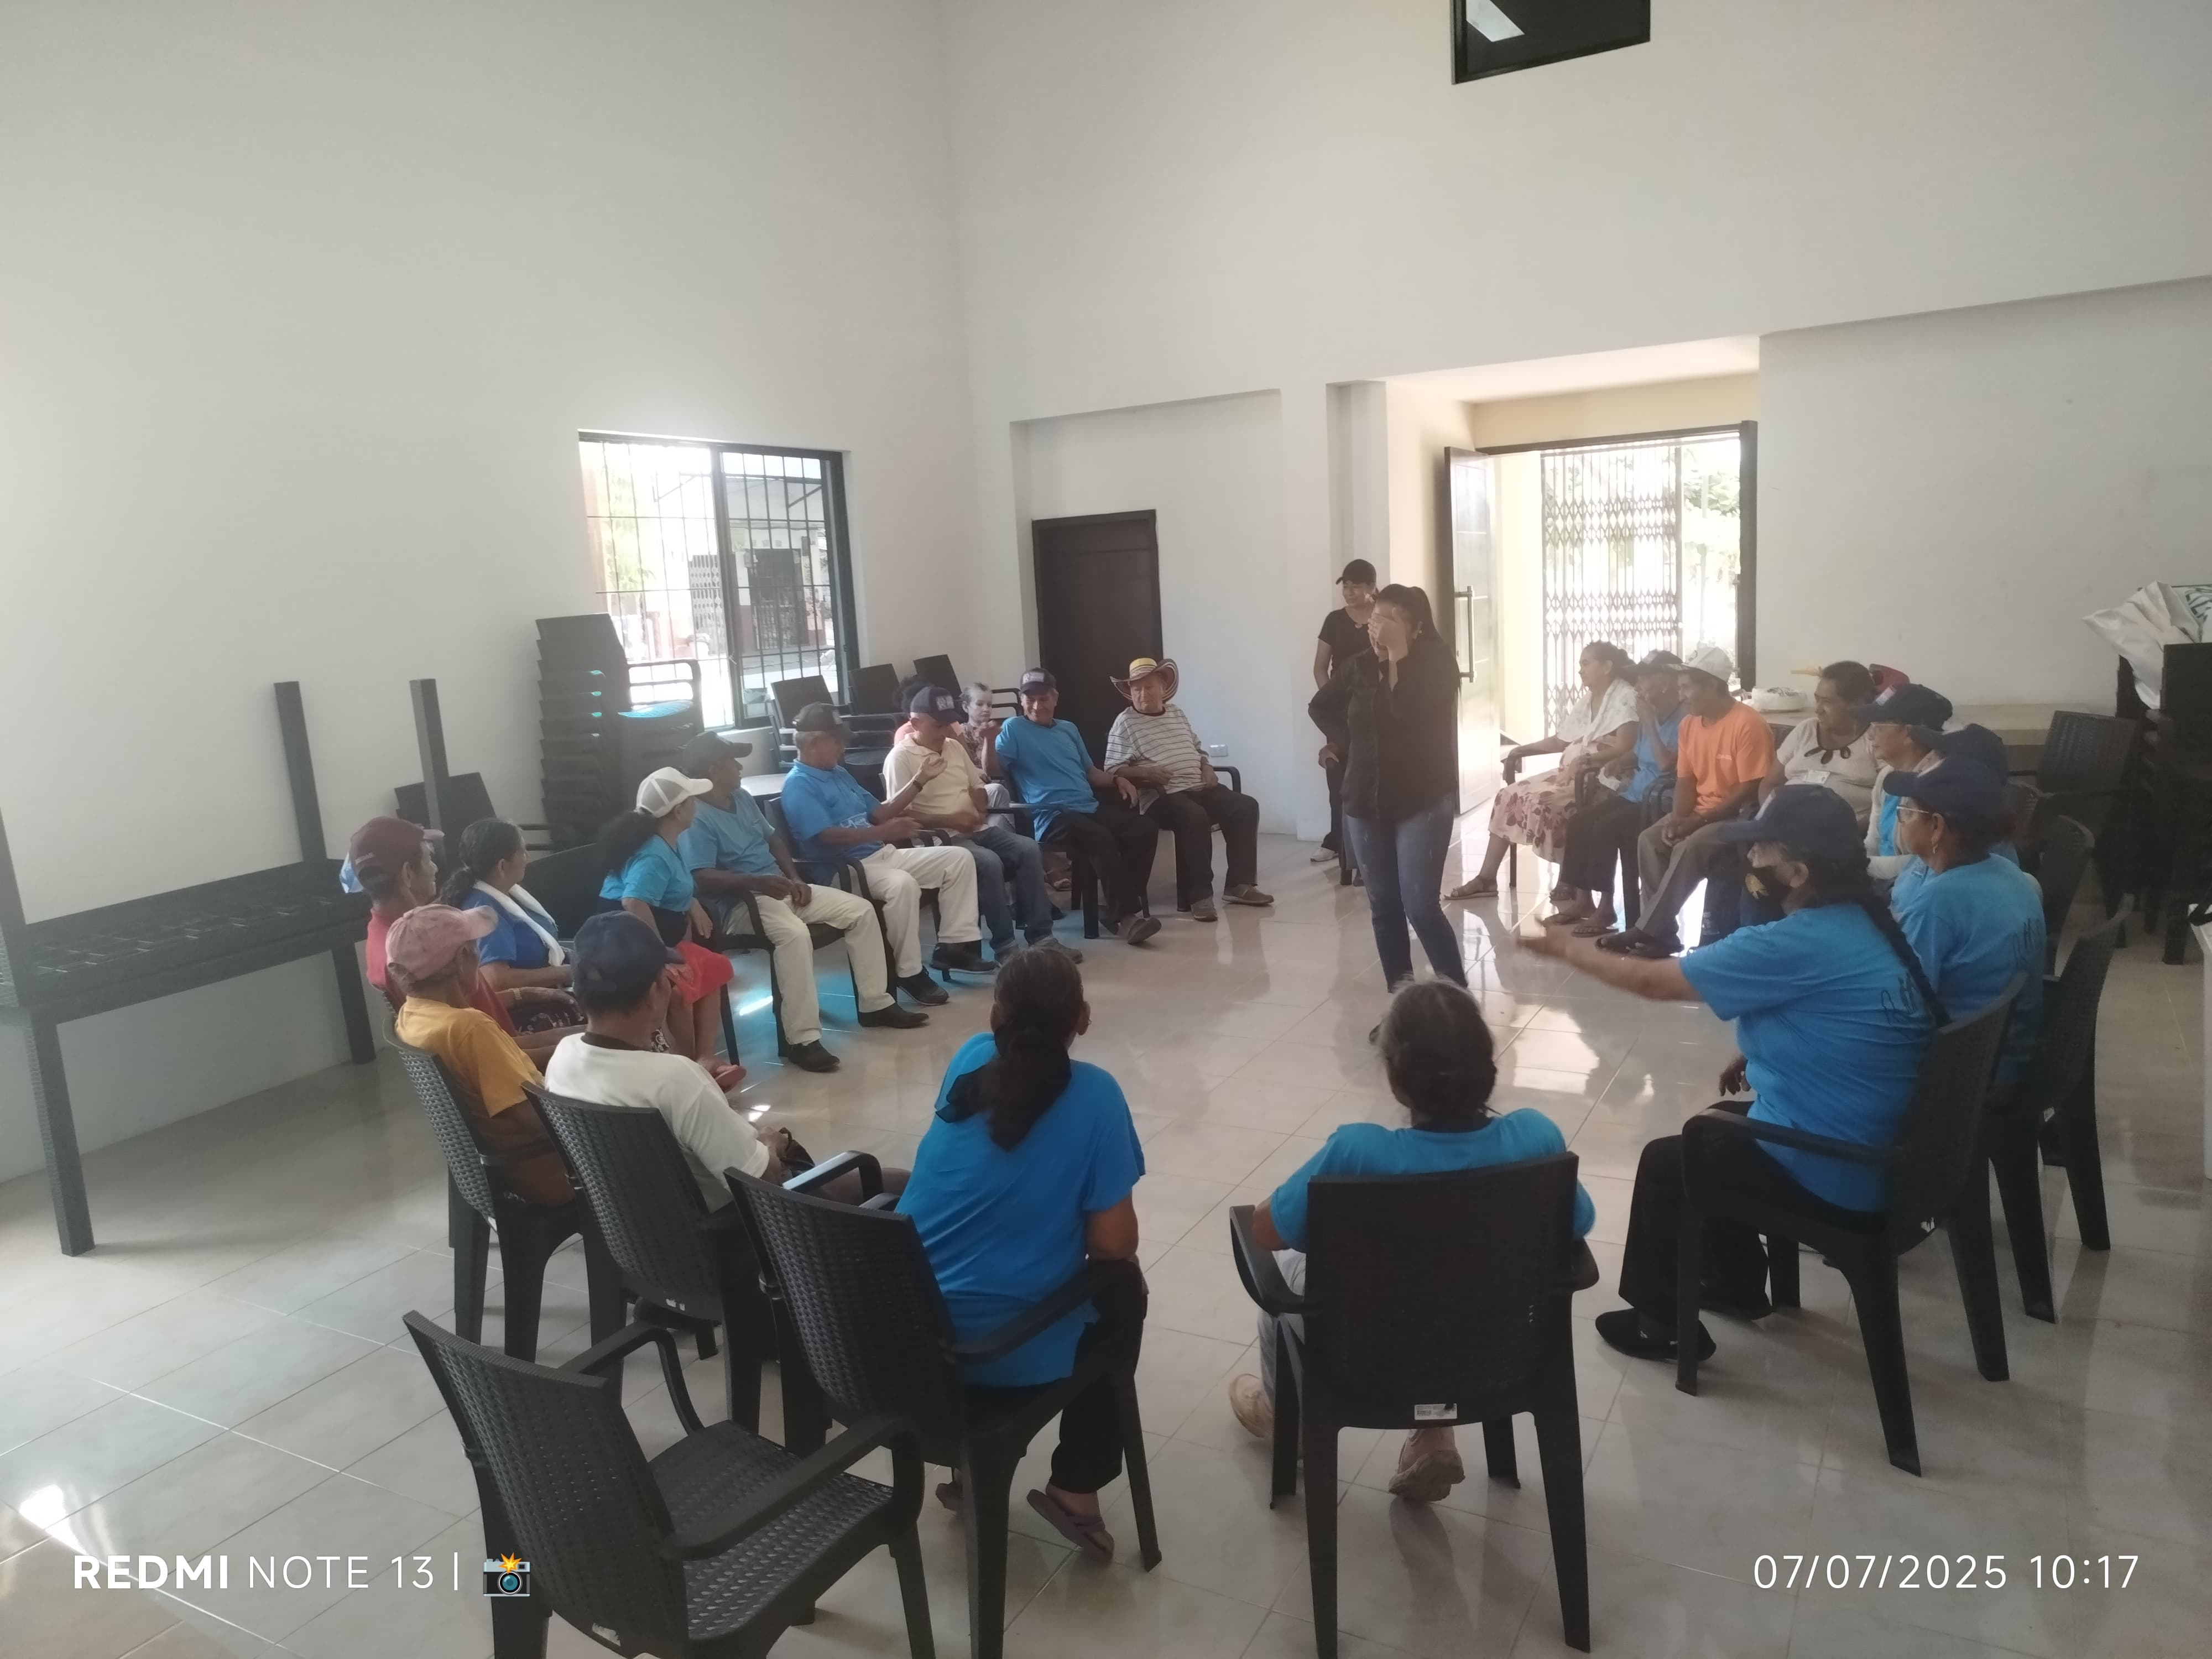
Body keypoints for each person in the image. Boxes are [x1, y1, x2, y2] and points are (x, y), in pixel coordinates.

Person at [1520, 787, 1944, 1363]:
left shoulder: (1795, 942)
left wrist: (1569, 951)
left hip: (1842, 1172)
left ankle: (1659, 1325)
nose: (1750, 862)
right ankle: (1736, 1284)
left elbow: (1652, 981)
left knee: (1670, 1161)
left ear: (1798, 873)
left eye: (1762, 852)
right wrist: (1756, 1054)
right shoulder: (1862, 920)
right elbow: (1837, 1017)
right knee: (1718, 1127)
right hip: (1879, 1152)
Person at [1222, 982, 1595, 1501]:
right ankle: (1433, 1435)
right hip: (1502, 1342)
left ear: (1396, 1078)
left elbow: (1265, 1232)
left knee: (1284, 1276)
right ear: (1488, 1068)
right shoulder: (1536, 1139)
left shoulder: (1358, 1154)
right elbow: (1578, 1225)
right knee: (1452, 1281)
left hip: (1366, 1354)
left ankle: (1290, 1421)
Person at [895, 947, 1146, 1560]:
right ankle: (1075, 1488)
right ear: (1082, 1017)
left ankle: (967, 1473)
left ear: (994, 1017)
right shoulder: (1096, 1095)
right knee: (1122, 1290)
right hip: (992, 1352)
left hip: (905, 1337)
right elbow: (1113, 1243)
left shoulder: (969, 1058)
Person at [542, 911, 870, 1204]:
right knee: (886, 1181)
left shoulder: (563, 1058)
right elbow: (762, 1182)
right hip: (740, 1232)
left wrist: (701, 1088)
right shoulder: (676, 1079)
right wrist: (771, 1142)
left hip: (645, 1231)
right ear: (656, 990)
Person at [674, 731, 926, 1073]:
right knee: (794, 935)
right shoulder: (697, 815)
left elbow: (774, 839)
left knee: (860, 911)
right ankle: (803, 1040)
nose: (740, 767)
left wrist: (794, 878)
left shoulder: (741, 797)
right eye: (733, 762)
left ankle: (876, 1004)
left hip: (780, 886)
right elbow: (702, 876)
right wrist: (758, 883)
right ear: (714, 769)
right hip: (740, 904)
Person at [1311, 583, 1467, 993]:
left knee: (1421, 907)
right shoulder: (1358, 665)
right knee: (1384, 907)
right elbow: (1321, 706)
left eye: (1389, 619)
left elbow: (1405, 710)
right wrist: (1351, 744)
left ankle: (1457, 1003)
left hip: (1422, 797)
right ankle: (1402, 1003)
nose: (1377, 626)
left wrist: (1397, 656)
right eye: (1375, 618)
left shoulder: (1437, 664)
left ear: (1415, 627)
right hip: (1366, 797)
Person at [779, 701, 994, 997]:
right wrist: (883, 833)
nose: (843, 748)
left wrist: (920, 780)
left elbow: (881, 812)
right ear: (815, 742)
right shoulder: (798, 785)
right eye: (837, 741)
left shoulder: (839, 773)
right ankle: (909, 972)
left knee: (958, 858)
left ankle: (953, 948)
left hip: (879, 857)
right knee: (901, 884)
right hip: (845, 871)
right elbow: (826, 836)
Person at [1598, 644, 1777, 958]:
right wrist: (1679, 820)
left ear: (1712, 686)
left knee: (1688, 846)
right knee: (1650, 840)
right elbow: (1686, 779)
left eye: (1687, 688)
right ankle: (1663, 936)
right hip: (1698, 811)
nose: (1682, 697)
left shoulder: (1747, 724)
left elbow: (1749, 789)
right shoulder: (1690, 725)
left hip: (1736, 816)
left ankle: (1646, 929)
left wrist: (1696, 823)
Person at [387, 905, 571, 1207]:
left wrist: (579, 1040)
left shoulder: (413, 1015)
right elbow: (534, 1120)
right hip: (550, 1175)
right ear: (463, 957)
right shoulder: (469, 1028)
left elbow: (506, 1059)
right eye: (476, 947)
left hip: (504, 1172)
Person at [351, 815, 571, 1062]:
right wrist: (581, 1043)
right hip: (513, 1068)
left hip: (504, 1046)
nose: (435, 868)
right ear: (407, 874)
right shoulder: (411, 953)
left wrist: (527, 994)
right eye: (429, 860)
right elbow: (489, 1057)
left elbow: (466, 1007)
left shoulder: (387, 937)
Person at [1886, 759, 2044, 1090]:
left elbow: (1902, 1010)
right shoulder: (2011, 874)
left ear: (1937, 826)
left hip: (1966, 1077)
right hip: (2007, 1060)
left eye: (1908, 811)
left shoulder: (1939, 901)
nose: (1902, 820)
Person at [885, 684, 1067, 961]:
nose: (947, 731)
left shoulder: (953, 748)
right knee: (988, 862)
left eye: (949, 723)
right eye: (939, 725)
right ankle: (1006, 946)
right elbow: (900, 814)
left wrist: (979, 807)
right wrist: (951, 820)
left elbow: (977, 786)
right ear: (916, 723)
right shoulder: (900, 757)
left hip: (974, 829)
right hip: (938, 839)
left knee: (1028, 848)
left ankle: (1042, 936)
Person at [1449, 640, 1640, 900]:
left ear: (1607, 667)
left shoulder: (1625, 696)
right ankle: (1487, 878)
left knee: (1548, 805)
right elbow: (1561, 740)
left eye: (1586, 664)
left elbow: (1626, 746)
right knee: (1508, 796)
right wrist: (1521, 749)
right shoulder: (1588, 700)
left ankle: (1569, 878)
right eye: (1580, 664)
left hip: (1604, 776)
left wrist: (1586, 761)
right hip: (1572, 773)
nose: (1580, 670)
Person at [994, 669, 1163, 946]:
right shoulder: (1013, 728)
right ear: (1022, 701)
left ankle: (1115, 907)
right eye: (1030, 699)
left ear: (1055, 698)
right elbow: (994, 768)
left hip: (1087, 807)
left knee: (1143, 828)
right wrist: (987, 740)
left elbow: (1091, 773)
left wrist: (1118, 779)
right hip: (1050, 815)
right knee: (1098, 836)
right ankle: (1127, 918)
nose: (1037, 706)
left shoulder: (1068, 729)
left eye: (1043, 699)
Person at [1103, 655, 1271, 920]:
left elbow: (1198, 750)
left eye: (1149, 687)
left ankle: (1239, 885)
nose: (1143, 694)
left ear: (1163, 687)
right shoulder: (1125, 722)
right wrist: (1145, 773)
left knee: (1246, 806)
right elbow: (1113, 769)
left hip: (1198, 786)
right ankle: (1199, 895)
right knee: (1194, 816)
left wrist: (1207, 767)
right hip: (1161, 796)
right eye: (1137, 689)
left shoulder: (1176, 713)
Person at [595, 768, 739, 1075]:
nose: (696, 805)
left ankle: (706, 1057)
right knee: (678, 990)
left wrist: (692, 903)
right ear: (678, 811)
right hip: (623, 947)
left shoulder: (667, 841)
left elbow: (670, 886)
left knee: (712, 967)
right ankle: (687, 1073)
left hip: (657, 940)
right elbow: (633, 902)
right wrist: (659, 956)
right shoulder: (653, 854)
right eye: (691, 800)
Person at [1550, 650, 1682, 935]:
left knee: (1605, 828)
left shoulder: (1684, 719)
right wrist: (1619, 761)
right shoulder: (1653, 712)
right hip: (1637, 793)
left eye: (1645, 678)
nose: (1639, 685)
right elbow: (1640, 753)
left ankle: (1606, 908)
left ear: (1666, 682)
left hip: (1662, 800)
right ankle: (1583, 901)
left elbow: (1666, 764)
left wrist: (1648, 722)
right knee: (1580, 821)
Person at [441, 819, 577, 1027]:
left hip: (551, 992)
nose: (527, 857)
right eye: (522, 851)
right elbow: (496, 979)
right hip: (527, 1011)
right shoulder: (485, 910)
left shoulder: (507, 893)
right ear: (503, 866)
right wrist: (568, 971)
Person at [1312, 559, 1379, 863]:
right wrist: (1332, 699)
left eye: (1356, 587)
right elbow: (1320, 667)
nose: (1349, 593)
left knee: (1371, 773)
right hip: (1341, 711)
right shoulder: (1334, 620)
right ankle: (1336, 839)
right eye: (1346, 587)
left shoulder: (1382, 616)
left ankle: (1368, 841)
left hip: (1375, 707)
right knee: (1337, 774)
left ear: (1371, 587)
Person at [1854, 681, 1953, 881]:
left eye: (1878, 726)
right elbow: (1873, 843)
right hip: (1884, 879)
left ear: (1910, 733)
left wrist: (1855, 866)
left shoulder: (1939, 784)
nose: (1870, 735)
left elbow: (1927, 862)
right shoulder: (1887, 776)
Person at [1761, 660, 1880, 824]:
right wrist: (1768, 817)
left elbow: (1888, 806)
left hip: (1842, 833)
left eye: (1827, 702)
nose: (1818, 709)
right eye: (1817, 699)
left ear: (1857, 705)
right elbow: (1769, 785)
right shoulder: (1806, 729)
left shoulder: (1877, 739)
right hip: (1782, 825)